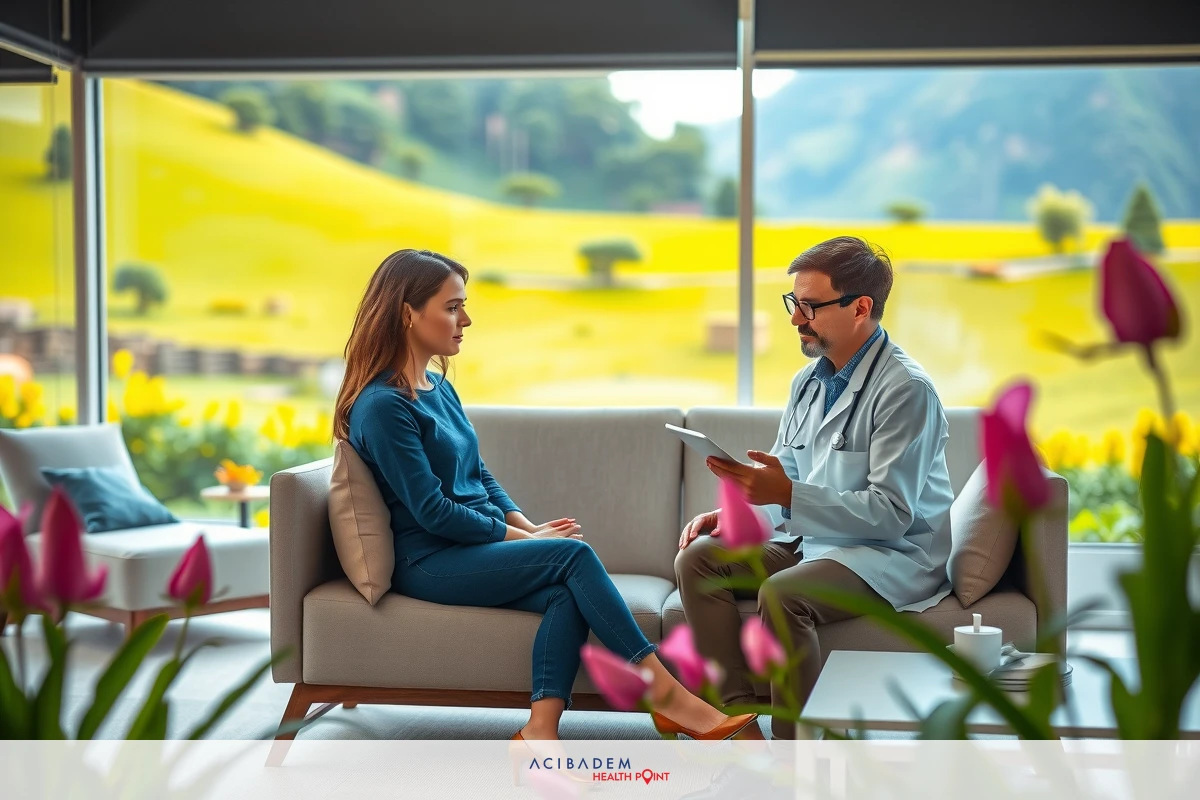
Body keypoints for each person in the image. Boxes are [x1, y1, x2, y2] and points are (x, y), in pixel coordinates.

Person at [332, 248, 758, 744]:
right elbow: (431, 511)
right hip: (430, 559)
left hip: (471, 547)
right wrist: (518, 538)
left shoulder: (437, 387)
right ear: (408, 313)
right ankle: (669, 696)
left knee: (564, 591)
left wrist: (525, 527)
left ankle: (539, 728)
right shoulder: (383, 407)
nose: (465, 320)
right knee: (573, 556)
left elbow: (478, 472)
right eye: (452, 307)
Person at [675, 236, 954, 740]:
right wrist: (744, 513)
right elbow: (789, 474)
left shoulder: (906, 391)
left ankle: (795, 754)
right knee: (698, 560)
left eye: (809, 306)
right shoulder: (808, 382)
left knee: (784, 594)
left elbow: (891, 513)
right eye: (793, 303)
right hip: (820, 540)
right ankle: (735, 723)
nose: (795, 318)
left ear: (861, 308)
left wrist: (783, 494)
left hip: (890, 553)